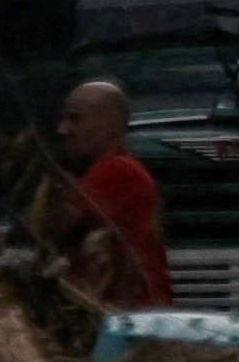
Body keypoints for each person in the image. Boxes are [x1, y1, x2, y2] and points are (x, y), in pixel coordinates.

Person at [55, 80, 170, 308]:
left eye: (75, 118)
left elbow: (56, 226)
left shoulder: (117, 170)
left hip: (130, 313)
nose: (63, 129)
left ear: (110, 124)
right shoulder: (115, 168)